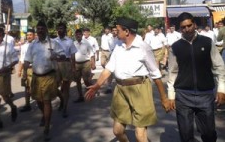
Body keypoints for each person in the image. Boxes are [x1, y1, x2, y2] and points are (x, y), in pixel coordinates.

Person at [85, 17, 170, 142]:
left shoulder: (143, 47)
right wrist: (97, 85)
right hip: (120, 90)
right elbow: (108, 69)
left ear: (127, 31)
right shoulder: (118, 46)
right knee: (117, 131)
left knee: (140, 136)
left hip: (140, 90)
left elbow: (156, 74)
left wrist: (164, 98)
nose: (115, 32)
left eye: (118, 30)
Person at [167, 12, 225, 142]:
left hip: (205, 94)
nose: (187, 29)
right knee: (186, 135)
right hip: (183, 96)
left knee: (209, 133)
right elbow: (172, 72)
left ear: (195, 24)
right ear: (179, 28)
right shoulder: (175, 47)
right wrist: (171, 95)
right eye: (183, 27)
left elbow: (219, 67)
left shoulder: (207, 42)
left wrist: (221, 89)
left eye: (189, 25)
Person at [23, 21, 65, 141]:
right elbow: (27, 60)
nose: (40, 30)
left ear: (46, 30)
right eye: (38, 28)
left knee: (46, 101)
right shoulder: (33, 45)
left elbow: (63, 56)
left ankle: (47, 126)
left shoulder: (53, 43)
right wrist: (25, 73)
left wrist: (56, 56)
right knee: (38, 100)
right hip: (36, 76)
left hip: (49, 76)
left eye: (42, 28)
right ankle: (44, 115)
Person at [54, 23, 77, 117]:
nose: (60, 30)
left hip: (66, 64)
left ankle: (65, 108)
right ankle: (62, 99)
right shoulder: (53, 41)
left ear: (65, 30)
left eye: (62, 28)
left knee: (66, 87)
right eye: (59, 28)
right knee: (54, 87)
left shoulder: (69, 41)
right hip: (56, 64)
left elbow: (72, 55)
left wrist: (73, 67)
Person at [73, 29, 95, 103]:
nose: (78, 36)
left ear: (82, 35)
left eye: (79, 34)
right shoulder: (73, 43)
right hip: (76, 64)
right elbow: (71, 55)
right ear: (75, 36)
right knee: (78, 81)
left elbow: (92, 53)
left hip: (86, 63)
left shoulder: (86, 43)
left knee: (86, 80)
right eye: (76, 34)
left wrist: (93, 63)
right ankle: (80, 96)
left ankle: (91, 90)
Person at [17, 29, 35, 112]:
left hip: (34, 69)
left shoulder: (37, 45)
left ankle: (41, 103)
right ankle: (27, 104)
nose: (29, 36)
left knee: (33, 88)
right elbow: (21, 59)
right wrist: (19, 70)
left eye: (30, 35)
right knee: (26, 87)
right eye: (27, 35)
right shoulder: (24, 46)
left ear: (34, 35)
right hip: (26, 69)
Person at [100, 26, 113, 93]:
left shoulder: (112, 36)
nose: (106, 30)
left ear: (110, 30)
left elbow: (112, 45)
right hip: (103, 51)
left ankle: (109, 86)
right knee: (102, 63)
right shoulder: (103, 36)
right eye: (105, 29)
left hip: (109, 52)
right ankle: (108, 72)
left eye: (108, 29)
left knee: (109, 68)